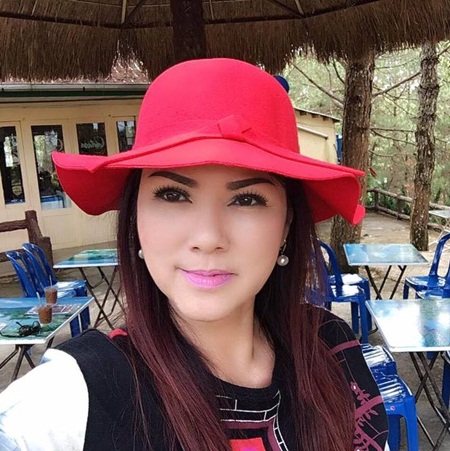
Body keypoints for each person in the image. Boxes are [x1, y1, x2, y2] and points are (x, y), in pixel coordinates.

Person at [0, 58, 388, 451]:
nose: (207, 237)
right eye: (173, 194)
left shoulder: (331, 349)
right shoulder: (71, 401)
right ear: (135, 217)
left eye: (247, 199)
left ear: (286, 225)